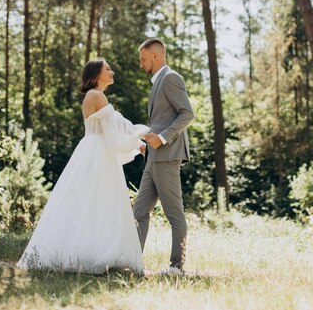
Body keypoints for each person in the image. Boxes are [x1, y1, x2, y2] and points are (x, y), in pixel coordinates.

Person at [17, 59, 148, 274]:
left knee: (88, 202)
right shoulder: (96, 95)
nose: (112, 71)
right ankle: (91, 255)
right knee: (98, 202)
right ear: (96, 74)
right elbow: (116, 126)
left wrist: (136, 141)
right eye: (108, 69)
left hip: (93, 150)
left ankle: (89, 251)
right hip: (98, 152)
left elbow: (114, 126)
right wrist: (140, 134)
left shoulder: (93, 96)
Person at [133, 38, 194, 275]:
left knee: (174, 214)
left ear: (156, 57)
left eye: (143, 59)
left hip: (167, 156)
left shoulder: (171, 78)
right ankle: (133, 261)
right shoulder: (157, 82)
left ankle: (176, 267)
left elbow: (187, 113)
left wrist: (162, 138)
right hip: (153, 157)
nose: (141, 64)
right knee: (139, 212)